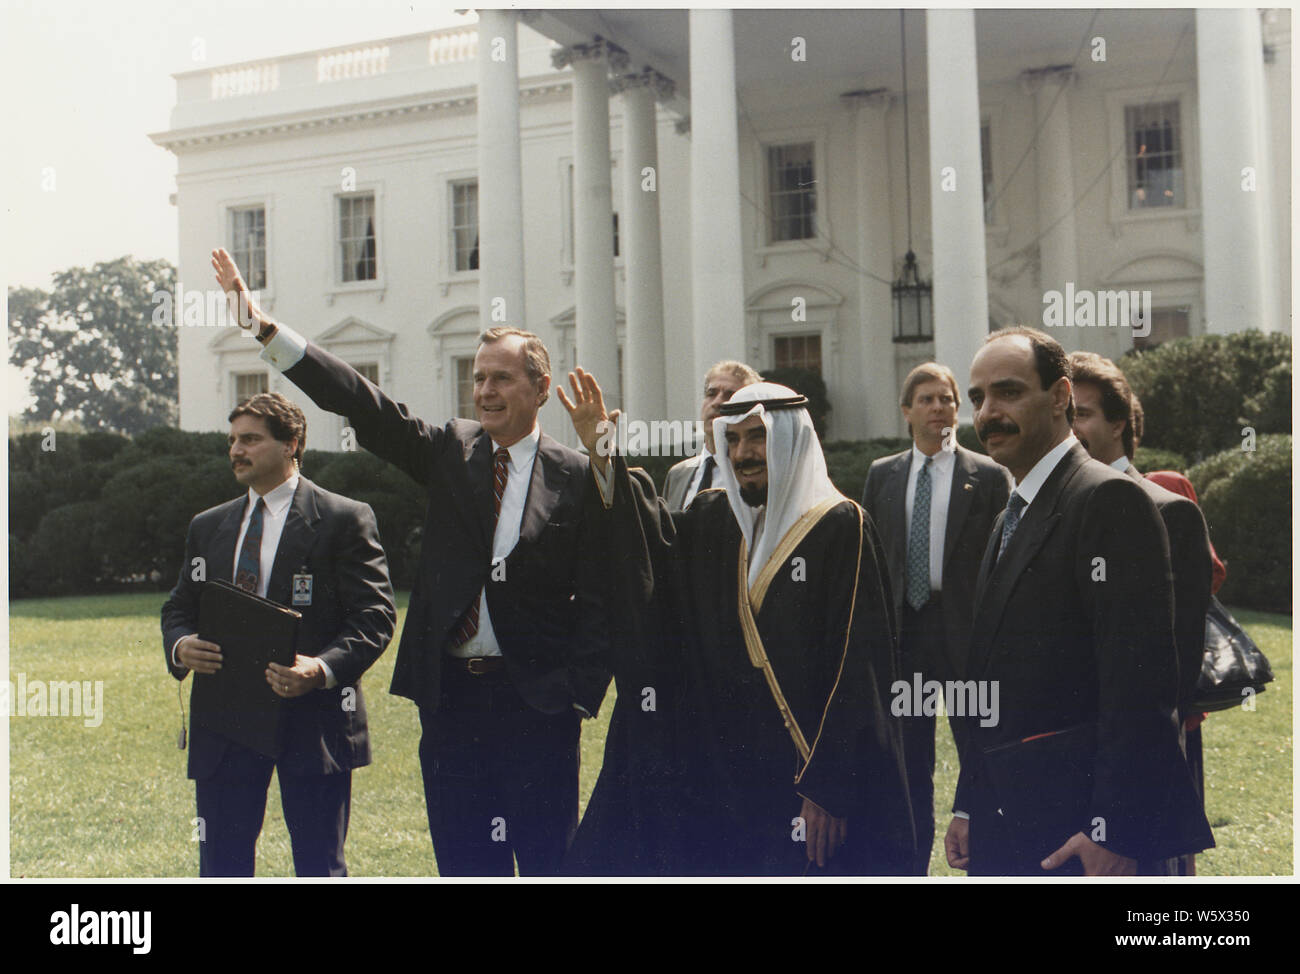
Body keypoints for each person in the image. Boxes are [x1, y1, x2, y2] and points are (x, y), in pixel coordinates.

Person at [211, 248, 610, 877]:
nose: (484, 390)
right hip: (451, 702)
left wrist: (579, 695)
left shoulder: (580, 476)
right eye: (478, 378)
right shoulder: (452, 451)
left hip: (538, 706)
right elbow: (363, 403)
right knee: (462, 864)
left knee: (545, 863)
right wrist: (264, 328)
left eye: (501, 378)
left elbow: (608, 587)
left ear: (540, 387)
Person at [560, 368, 914, 876]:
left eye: (757, 437)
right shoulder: (713, 519)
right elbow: (648, 550)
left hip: (805, 780)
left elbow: (862, 670)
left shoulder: (842, 526)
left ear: (791, 440)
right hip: (723, 774)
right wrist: (603, 457)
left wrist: (830, 788)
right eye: (733, 440)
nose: (744, 454)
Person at [943, 326, 1212, 876]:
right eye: (978, 397)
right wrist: (970, 803)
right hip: (1009, 824)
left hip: (1078, 839)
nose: (988, 412)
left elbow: (1140, 686)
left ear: (1061, 395)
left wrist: (1113, 831)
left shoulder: (1108, 499)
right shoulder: (1008, 516)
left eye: (1008, 392)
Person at [161, 392, 397, 876]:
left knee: (319, 865)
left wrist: (321, 668)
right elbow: (179, 608)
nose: (235, 450)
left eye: (250, 439)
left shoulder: (343, 518)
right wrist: (181, 645)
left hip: (312, 719)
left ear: (292, 444)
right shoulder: (207, 528)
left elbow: (375, 616)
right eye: (231, 440)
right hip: (225, 720)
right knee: (221, 865)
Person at [860, 363, 1011, 874]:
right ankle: (910, 862)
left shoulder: (988, 476)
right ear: (907, 411)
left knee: (979, 746)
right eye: (925, 399)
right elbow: (871, 558)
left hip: (965, 633)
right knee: (908, 760)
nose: (938, 408)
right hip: (906, 636)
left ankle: (985, 854)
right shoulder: (882, 475)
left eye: (947, 399)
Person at [663, 360, 761, 511]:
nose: (717, 402)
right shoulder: (678, 474)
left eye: (730, 395)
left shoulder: (754, 473)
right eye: (711, 394)